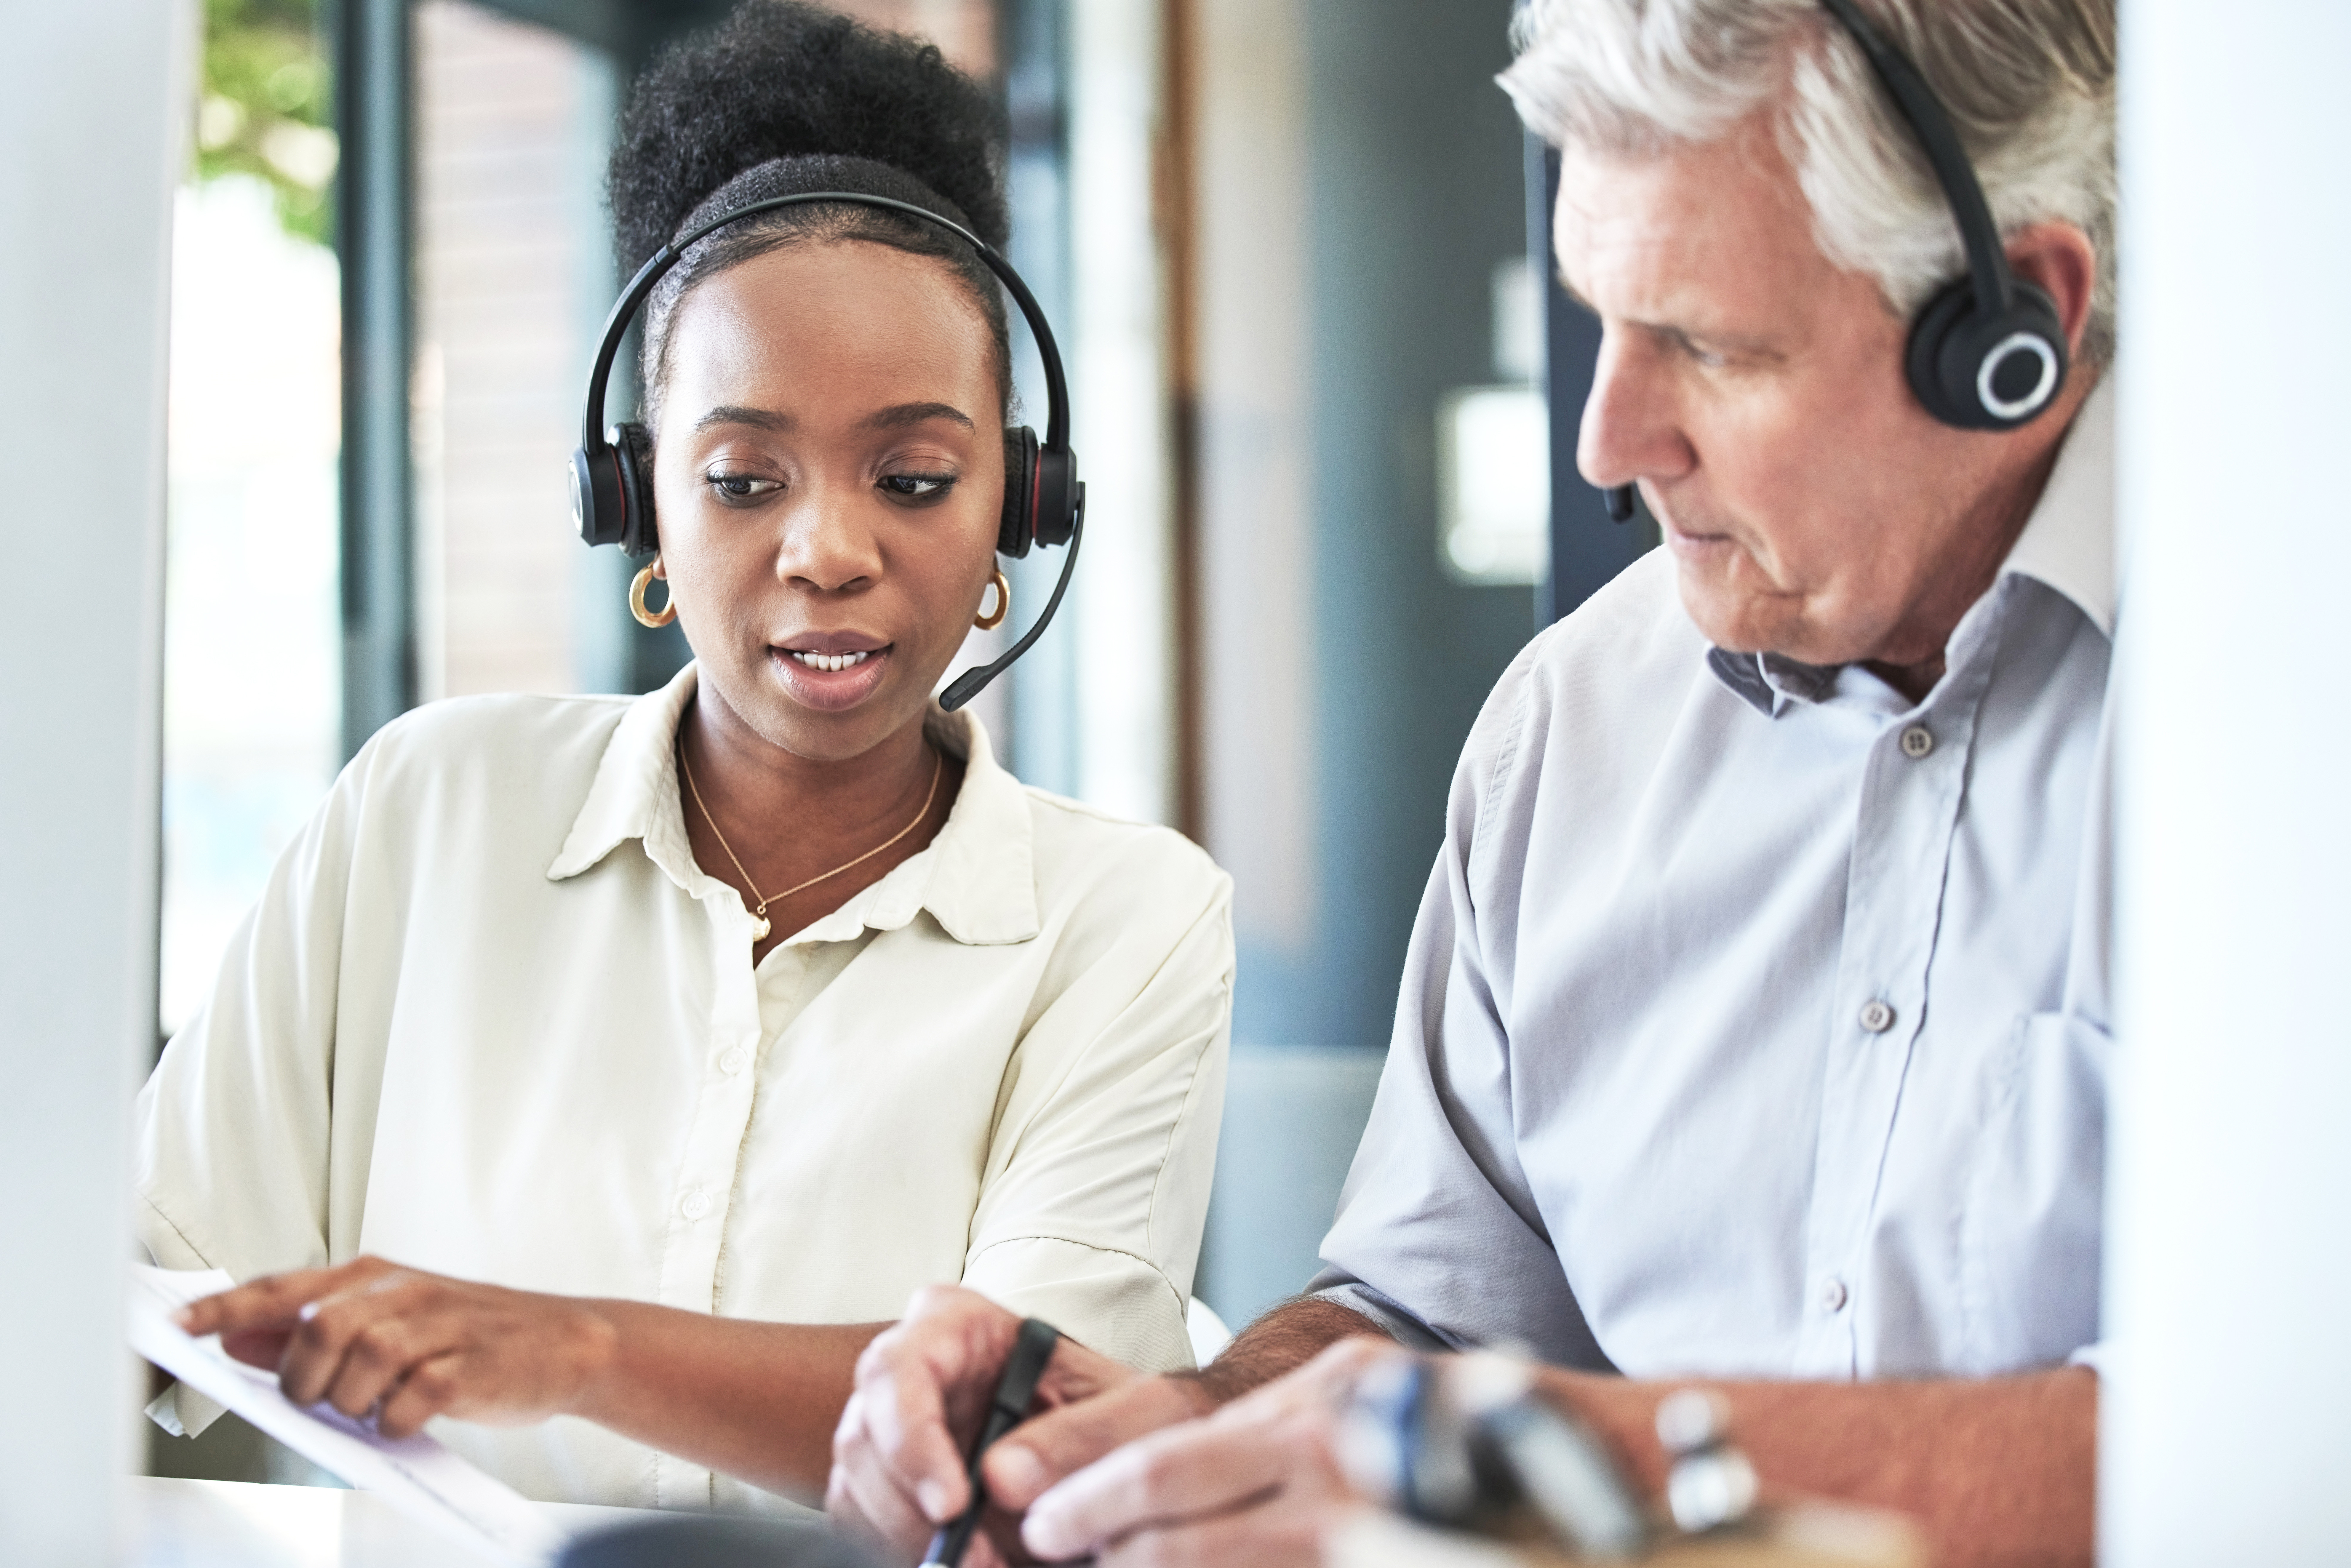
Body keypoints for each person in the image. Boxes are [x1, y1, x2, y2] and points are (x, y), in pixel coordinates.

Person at [827, 1, 2116, 1564]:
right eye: (1600, 318)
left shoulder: (2283, 743)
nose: (1603, 437)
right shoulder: (1569, 730)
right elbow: (1424, 1317)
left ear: (2012, 338)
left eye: (1708, 343)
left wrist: (1558, 1462)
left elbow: (2283, 1431)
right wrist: (1199, 1427)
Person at [139, 1, 1232, 1515]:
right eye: (740, 479)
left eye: (914, 477)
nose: (829, 551)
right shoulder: (427, 811)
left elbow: (1024, 1436)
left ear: (1019, 506)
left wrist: (577, 1352)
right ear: (636, 499)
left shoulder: (1130, 919)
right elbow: (152, 1289)